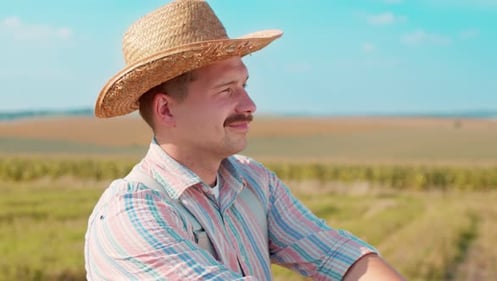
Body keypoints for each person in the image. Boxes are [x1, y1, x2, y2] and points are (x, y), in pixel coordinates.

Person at [84, 0, 406, 280]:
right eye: (226, 90)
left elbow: (338, 256)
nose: (250, 105)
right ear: (166, 110)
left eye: (244, 85)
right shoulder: (131, 216)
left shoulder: (254, 182)